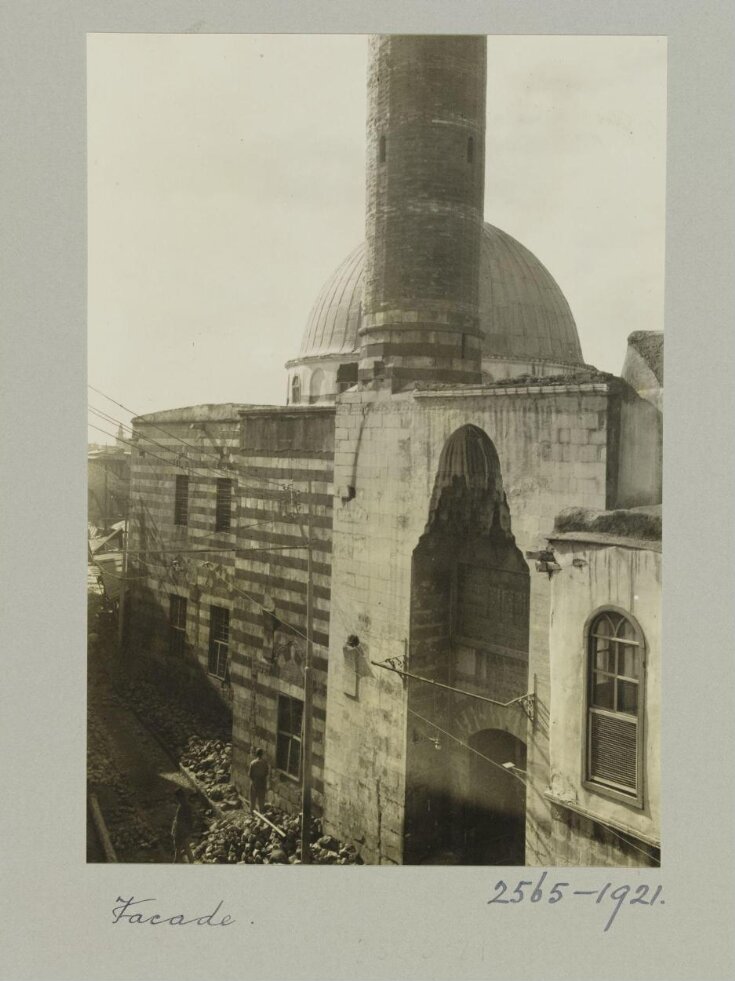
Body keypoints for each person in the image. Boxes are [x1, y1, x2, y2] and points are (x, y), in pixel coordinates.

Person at [171, 787, 195, 863]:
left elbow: (183, 821)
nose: (177, 800)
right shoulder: (184, 805)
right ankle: (191, 862)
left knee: (178, 850)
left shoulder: (184, 807)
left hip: (180, 832)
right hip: (182, 831)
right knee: (186, 848)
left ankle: (175, 864)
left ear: (180, 797)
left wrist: (180, 832)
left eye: (177, 798)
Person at [248, 748, 269, 813]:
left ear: (256, 754)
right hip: (262, 783)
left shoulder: (253, 763)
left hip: (254, 783)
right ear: (262, 754)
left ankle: (252, 813)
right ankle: (261, 813)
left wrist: (254, 780)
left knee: (253, 800)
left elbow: (250, 774)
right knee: (261, 800)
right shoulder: (265, 763)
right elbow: (266, 773)